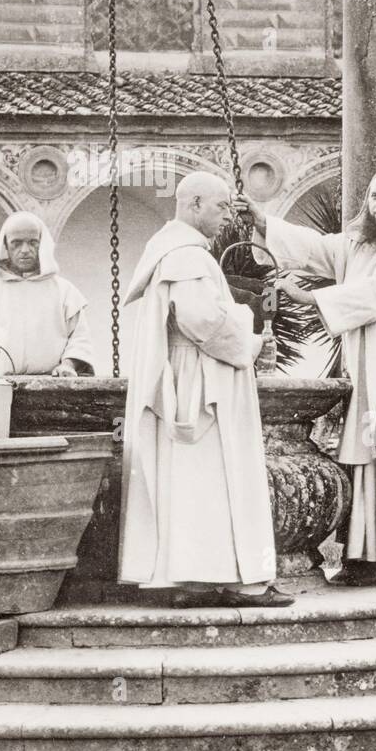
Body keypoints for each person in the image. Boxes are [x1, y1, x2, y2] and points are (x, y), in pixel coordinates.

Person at [236, 166, 376, 591]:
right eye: (373, 197)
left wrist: (309, 296)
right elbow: (317, 247)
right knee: (369, 460)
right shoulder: (360, 244)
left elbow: (373, 295)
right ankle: (371, 557)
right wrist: (262, 221)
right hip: (369, 361)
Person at [118, 171, 290, 607]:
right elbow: (201, 321)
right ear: (193, 204)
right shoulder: (186, 256)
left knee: (191, 481)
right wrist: (250, 341)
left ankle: (190, 579)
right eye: (221, 206)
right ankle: (213, 578)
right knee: (209, 478)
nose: (227, 216)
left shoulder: (173, 251)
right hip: (199, 379)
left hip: (189, 373)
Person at [0, 211, 94, 376]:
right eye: (16, 243)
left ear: (41, 244)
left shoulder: (65, 291)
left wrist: (68, 365)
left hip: (50, 387)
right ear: (6, 245)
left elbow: (79, 338)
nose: (25, 250)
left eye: (32, 243)